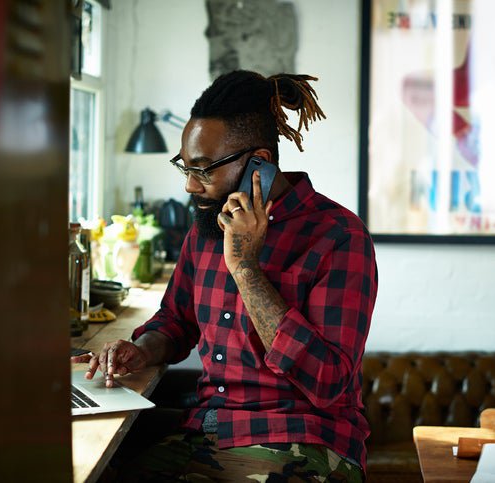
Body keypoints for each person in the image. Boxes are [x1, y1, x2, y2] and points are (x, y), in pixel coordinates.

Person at [73, 70, 378, 482]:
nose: (189, 186)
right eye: (185, 167)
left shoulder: (339, 236)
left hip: (304, 440)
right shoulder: (207, 226)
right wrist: (141, 349)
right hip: (204, 432)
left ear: (260, 164)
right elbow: (177, 320)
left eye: (203, 170)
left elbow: (327, 381)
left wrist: (246, 268)